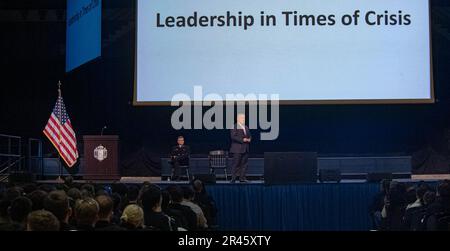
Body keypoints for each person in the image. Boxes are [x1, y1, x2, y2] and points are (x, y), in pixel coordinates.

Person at [230, 113, 251, 183]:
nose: (243, 119)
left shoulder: (246, 127)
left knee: (244, 164)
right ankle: (233, 179)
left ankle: (242, 178)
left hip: (245, 149)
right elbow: (233, 136)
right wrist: (242, 140)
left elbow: (249, 136)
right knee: (236, 164)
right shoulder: (235, 126)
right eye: (242, 118)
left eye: (244, 118)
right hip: (237, 149)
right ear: (238, 119)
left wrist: (249, 139)